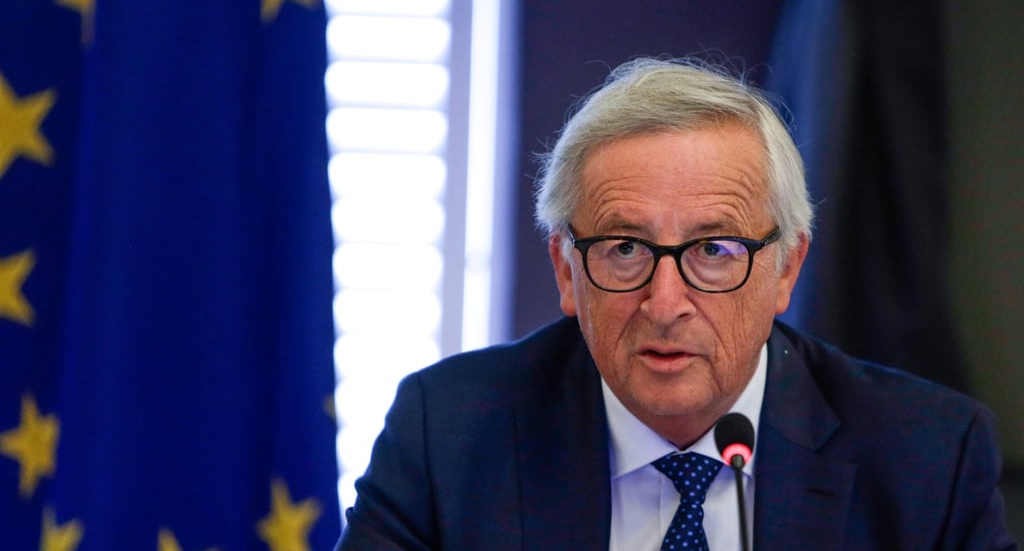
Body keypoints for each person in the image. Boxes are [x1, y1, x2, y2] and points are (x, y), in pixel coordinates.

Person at [337, 57, 1018, 550]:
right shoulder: (447, 434)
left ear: (786, 268)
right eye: (625, 249)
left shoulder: (926, 457)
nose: (665, 303)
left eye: (715, 250)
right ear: (567, 270)